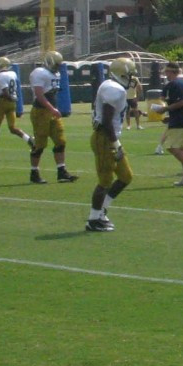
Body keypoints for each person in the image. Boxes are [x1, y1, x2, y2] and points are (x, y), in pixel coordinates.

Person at [87, 59, 135, 231]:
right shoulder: (114, 89)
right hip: (104, 138)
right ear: (121, 74)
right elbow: (107, 121)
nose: (131, 78)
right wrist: (116, 143)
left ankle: (102, 210)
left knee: (125, 176)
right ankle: (93, 220)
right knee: (105, 181)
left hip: (110, 137)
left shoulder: (111, 86)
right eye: (129, 74)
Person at [29, 51, 78, 184]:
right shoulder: (39, 72)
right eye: (55, 64)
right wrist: (52, 109)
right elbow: (39, 94)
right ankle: (34, 173)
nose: (57, 67)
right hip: (40, 112)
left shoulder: (56, 73)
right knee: (40, 144)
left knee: (61, 140)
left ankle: (61, 172)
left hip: (52, 112)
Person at [0, 56, 35, 160]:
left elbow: (5, 91)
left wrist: (0, 98)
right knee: (12, 128)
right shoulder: (13, 73)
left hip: (3, 102)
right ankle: (29, 139)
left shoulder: (0, 76)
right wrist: (13, 99)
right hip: (12, 103)